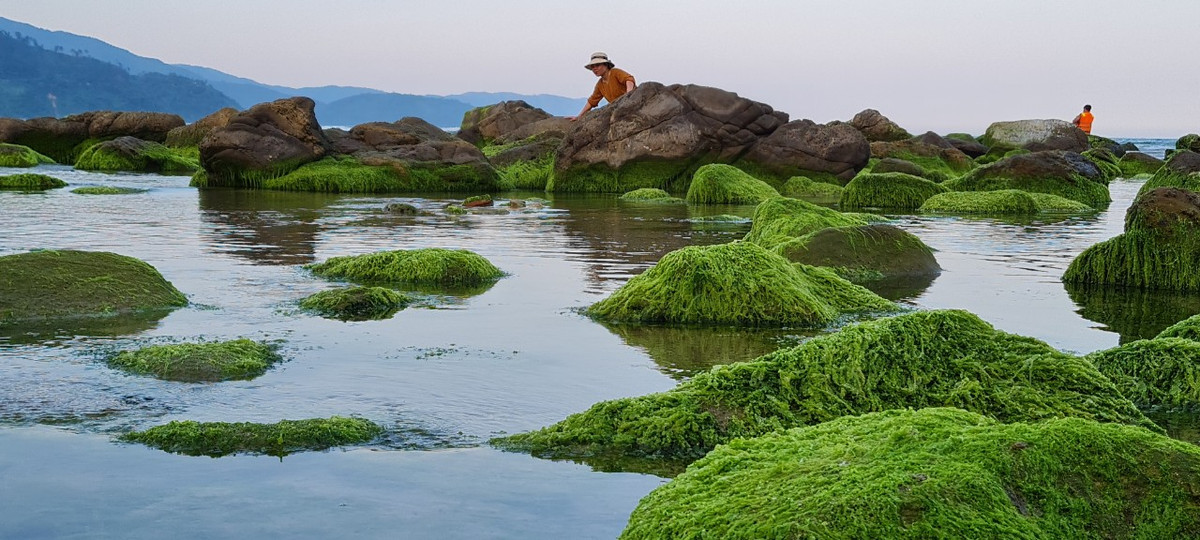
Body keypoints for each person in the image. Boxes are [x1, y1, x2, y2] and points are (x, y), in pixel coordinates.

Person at [569, 52, 636, 121]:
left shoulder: (615, 72)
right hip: (619, 110)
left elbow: (629, 79)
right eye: (592, 67)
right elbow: (592, 101)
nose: (595, 69)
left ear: (606, 65)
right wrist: (579, 116)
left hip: (633, 104)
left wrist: (628, 95)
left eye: (597, 65)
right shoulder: (600, 84)